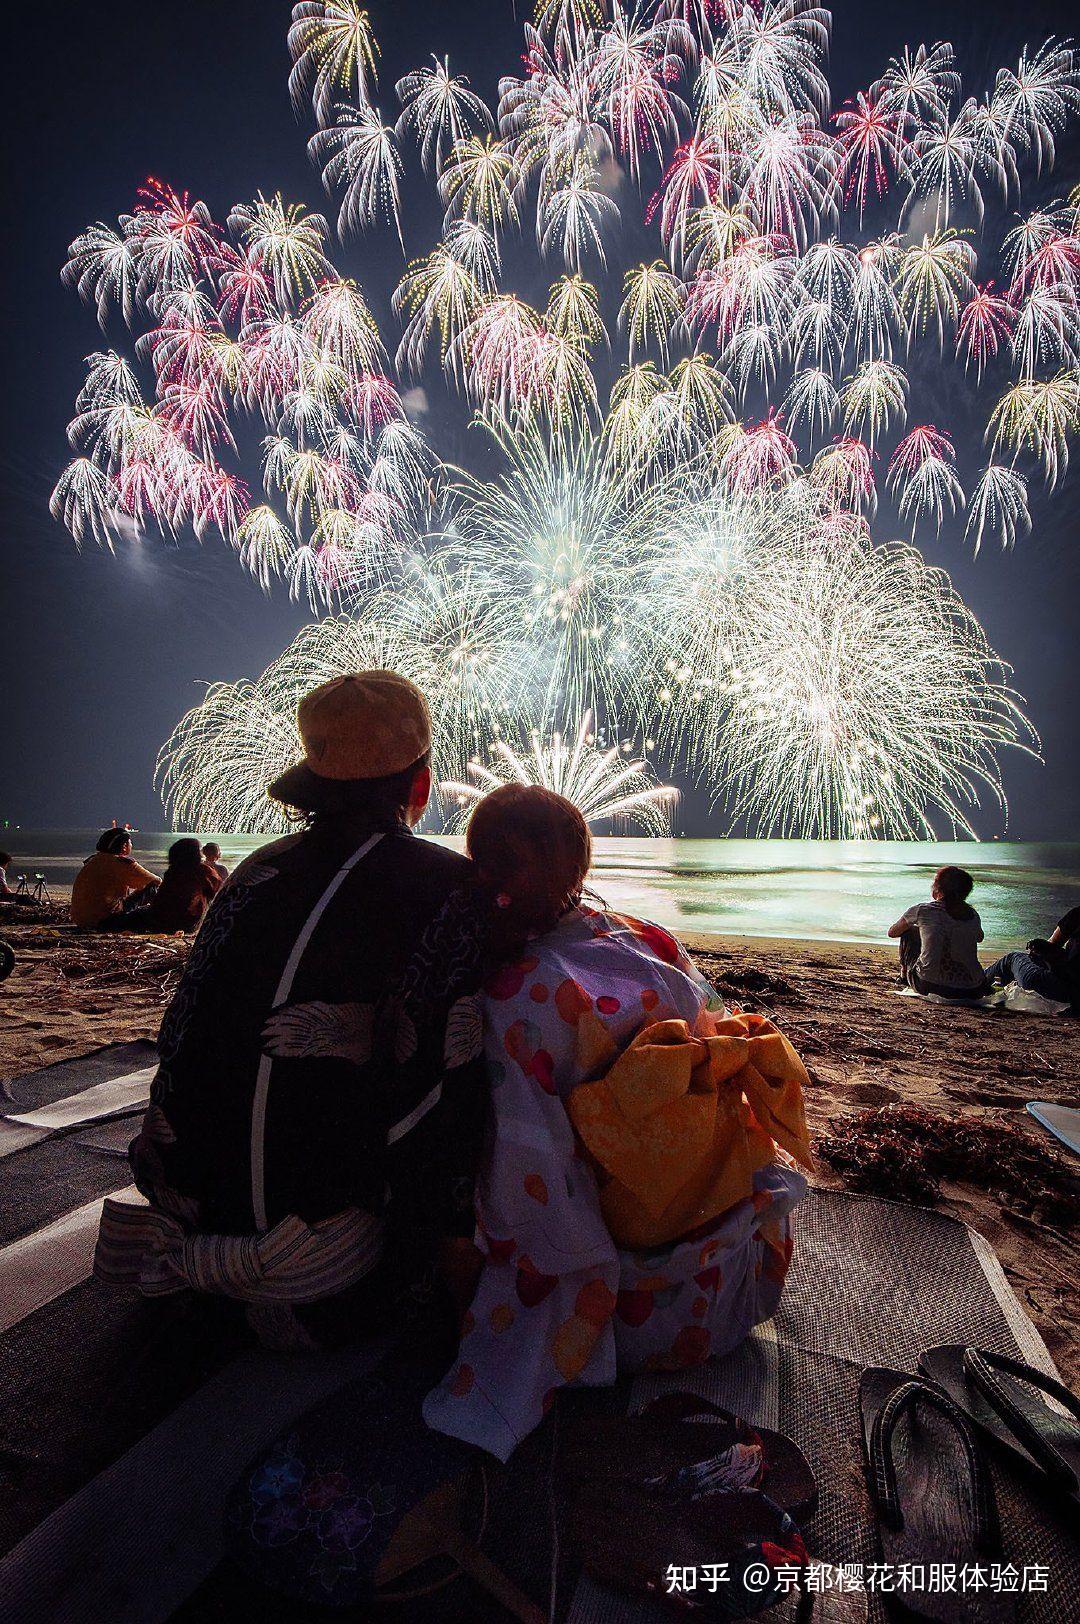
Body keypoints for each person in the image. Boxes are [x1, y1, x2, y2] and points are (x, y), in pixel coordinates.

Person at [95, 672, 490, 1352]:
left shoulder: (254, 872)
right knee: (486, 1038)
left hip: (183, 1248)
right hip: (336, 1282)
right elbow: (445, 1088)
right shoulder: (450, 885)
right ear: (420, 789)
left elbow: (185, 1031)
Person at [423, 785, 812, 1461]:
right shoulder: (648, 937)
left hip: (632, 1325)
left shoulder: (517, 993)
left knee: (494, 1194)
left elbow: (532, 1184)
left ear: (479, 868)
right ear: (582, 863)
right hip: (735, 1287)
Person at [887, 865, 988, 999]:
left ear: (938, 888)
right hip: (972, 989)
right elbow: (979, 938)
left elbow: (892, 932)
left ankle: (904, 975)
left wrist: (922, 929)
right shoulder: (972, 914)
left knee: (909, 931)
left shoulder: (923, 910)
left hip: (929, 984)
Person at [100, 837, 221, 934]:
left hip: (161, 922)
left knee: (130, 917)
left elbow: (161, 902)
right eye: (199, 851)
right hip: (189, 924)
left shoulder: (173, 872)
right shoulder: (204, 871)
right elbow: (220, 891)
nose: (202, 853)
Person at [987, 904, 1080, 1007]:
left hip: (1061, 989)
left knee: (1012, 959)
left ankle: (975, 982)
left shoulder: (1077, 914)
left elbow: (1051, 945)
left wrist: (1038, 947)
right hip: (1072, 990)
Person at [70, 828, 159, 929]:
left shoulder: (92, 860)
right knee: (152, 890)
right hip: (106, 921)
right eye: (130, 843)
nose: (131, 845)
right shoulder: (120, 863)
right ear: (124, 846)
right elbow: (156, 881)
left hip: (82, 921)